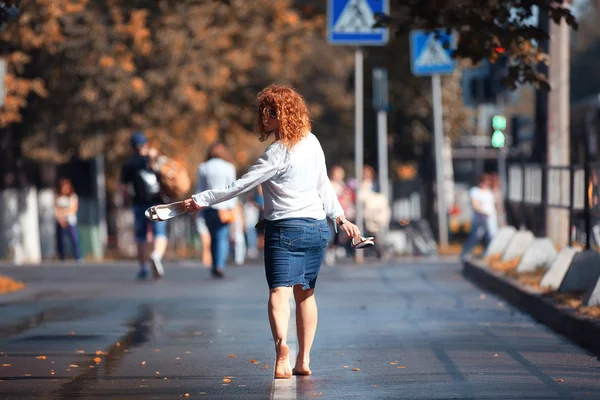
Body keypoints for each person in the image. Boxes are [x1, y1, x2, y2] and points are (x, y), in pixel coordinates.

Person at [182, 84, 361, 379]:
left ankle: (282, 350)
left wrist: (200, 200)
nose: (265, 116)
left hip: (286, 229)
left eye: (272, 111)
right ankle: (303, 359)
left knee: (279, 292)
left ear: (286, 114)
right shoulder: (313, 142)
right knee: (306, 294)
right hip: (317, 228)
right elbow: (324, 185)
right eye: (263, 110)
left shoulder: (277, 153)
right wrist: (340, 218)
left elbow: (240, 185)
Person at [120, 131, 168, 280]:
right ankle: (156, 255)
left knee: (141, 237)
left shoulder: (128, 165)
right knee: (159, 233)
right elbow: (169, 173)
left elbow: (124, 189)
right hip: (157, 203)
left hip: (139, 204)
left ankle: (143, 268)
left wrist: (128, 200)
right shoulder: (155, 160)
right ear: (146, 144)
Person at [196, 142, 238, 278]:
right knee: (221, 237)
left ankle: (215, 264)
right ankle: (219, 265)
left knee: (213, 236)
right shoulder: (229, 167)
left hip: (209, 206)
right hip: (224, 207)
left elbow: (200, 188)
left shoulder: (203, 167)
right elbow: (233, 188)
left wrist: (197, 205)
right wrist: (233, 207)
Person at [461, 174, 496, 261]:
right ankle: (466, 252)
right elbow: (475, 205)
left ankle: (488, 253)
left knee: (491, 236)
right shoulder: (475, 191)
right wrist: (483, 212)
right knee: (476, 236)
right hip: (480, 218)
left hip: (490, 218)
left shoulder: (489, 193)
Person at [54, 178, 83, 262]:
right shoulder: (58, 197)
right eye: (63, 187)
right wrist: (61, 219)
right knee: (61, 242)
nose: (65, 189)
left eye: (66, 187)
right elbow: (56, 209)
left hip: (71, 222)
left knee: (74, 240)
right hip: (61, 222)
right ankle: (62, 258)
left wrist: (63, 212)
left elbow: (73, 208)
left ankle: (78, 257)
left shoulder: (73, 196)